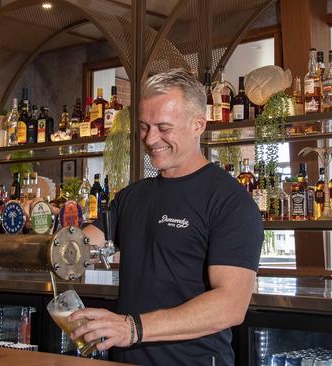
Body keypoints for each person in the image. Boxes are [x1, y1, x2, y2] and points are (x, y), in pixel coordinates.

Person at [69, 69, 263, 365]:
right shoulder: (132, 197)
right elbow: (79, 247)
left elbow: (231, 305)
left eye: (163, 127)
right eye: (144, 127)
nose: (150, 138)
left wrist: (132, 328)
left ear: (198, 124)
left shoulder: (229, 201)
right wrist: (55, 232)